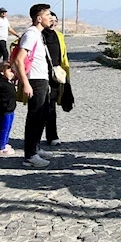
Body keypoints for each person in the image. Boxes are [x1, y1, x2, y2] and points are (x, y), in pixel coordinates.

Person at [13, 3, 56, 168]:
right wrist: (25, 83)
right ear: (39, 18)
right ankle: (30, 155)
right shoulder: (31, 34)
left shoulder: (39, 34)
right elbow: (18, 59)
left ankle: (35, 148)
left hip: (42, 79)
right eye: (48, 15)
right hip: (34, 80)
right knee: (34, 117)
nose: (50, 18)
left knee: (43, 115)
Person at [42, 11, 71, 147]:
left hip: (55, 76)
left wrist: (66, 75)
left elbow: (63, 57)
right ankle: (35, 137)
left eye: (55, 20)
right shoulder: (39, 35)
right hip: (40, 75)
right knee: (39, 107)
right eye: (50, 19)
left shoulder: (59, 36)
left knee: (51, 106)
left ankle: (52, 135)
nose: (53, 22)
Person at [0, 61, 17, 156]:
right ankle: (1, 147)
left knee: (8, 128)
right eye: (10, 71)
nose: (12, 74)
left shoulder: (9, 82)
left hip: (10, 109)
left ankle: (5, 143)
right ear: (2, 72)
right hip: (4, 110)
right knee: (4, 128)